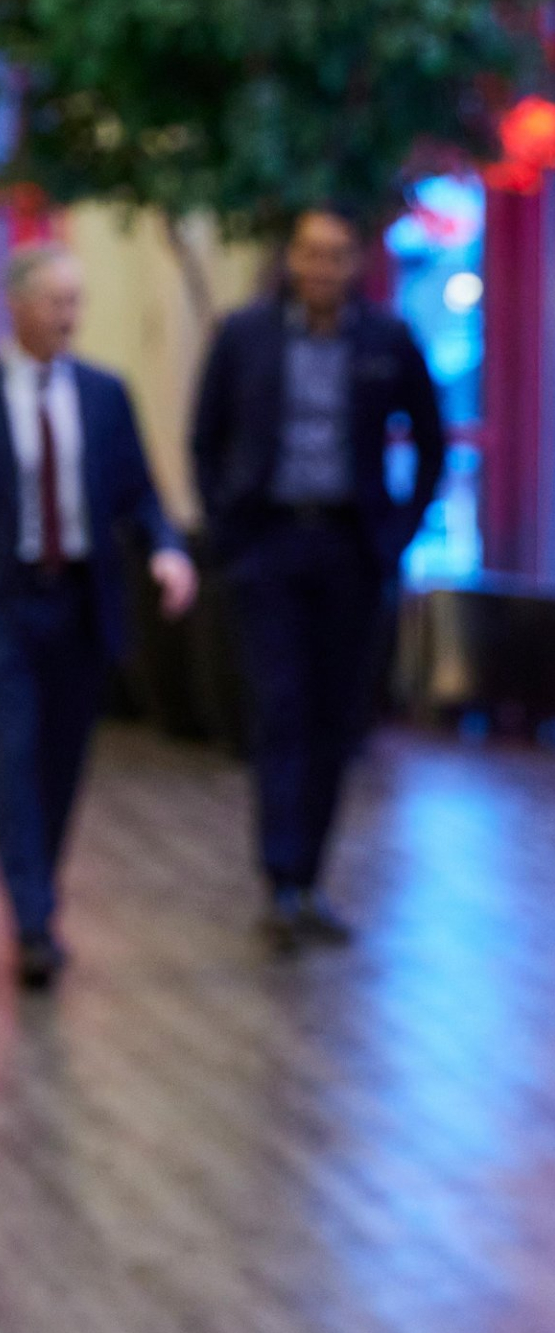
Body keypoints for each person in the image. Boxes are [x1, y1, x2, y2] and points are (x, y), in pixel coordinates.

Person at [0, 244, 198, 989]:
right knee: (12, 758)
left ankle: (40, 886)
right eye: (55, 302)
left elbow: (138, 493)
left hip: (77, 603)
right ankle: (33, 920)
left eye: (76, 302)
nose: (69, 317)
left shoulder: (105, 395)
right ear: (14, 305)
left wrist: (168, 552)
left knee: (61, 763)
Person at [191, 202, 443, 950]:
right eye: (309, 254)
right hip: (269, 545)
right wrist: (229, 530)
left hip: (349, 551)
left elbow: (430, 438)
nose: (321, 269)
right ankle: (278, 878)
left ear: (356, 263)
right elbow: (205, 437)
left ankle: (311, 880)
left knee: (336, 718)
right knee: (280, 710)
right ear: (291, 260)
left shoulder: (387, 340)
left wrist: (396, 534)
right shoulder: (245, 336)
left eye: (336, 255)